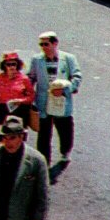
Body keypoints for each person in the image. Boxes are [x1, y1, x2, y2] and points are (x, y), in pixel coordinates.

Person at [28, 32, 82, 164]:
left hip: (61, 102)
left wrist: (65, 89)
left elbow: (77, 76)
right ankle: (43, 162)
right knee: (44, 135)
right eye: (41, 44)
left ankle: (65, 151)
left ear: (55, 43)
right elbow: (31, 77)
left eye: (46, 44)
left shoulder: (69, 58)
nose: (43, 47)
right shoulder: (37, 59)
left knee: (65, 131)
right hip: (43, 102)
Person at [0, 51, 35, 128]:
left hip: (19, 111)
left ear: (17, 65)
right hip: (3, 111)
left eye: (13, 64)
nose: (11, 67)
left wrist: (21, 101)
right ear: (4, 66)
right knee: (4, 137)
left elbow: (31, 96)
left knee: (18, 137)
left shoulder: (24, 79)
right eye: (8, 64)